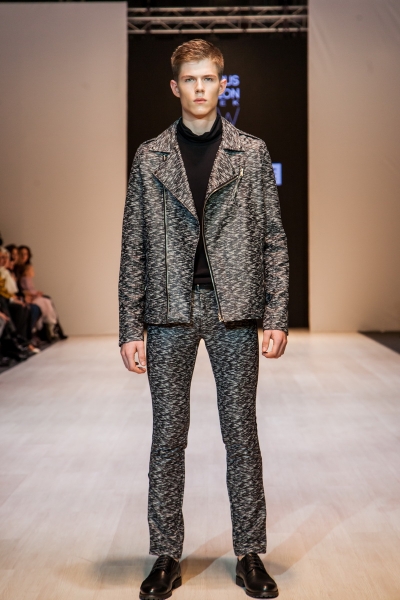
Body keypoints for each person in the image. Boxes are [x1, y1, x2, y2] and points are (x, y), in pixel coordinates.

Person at [118, 39, 289, 600]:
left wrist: (276, 313)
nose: (199, 88)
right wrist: (130, 326)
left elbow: (273, 239)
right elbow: (134, 245)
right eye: (189, 79)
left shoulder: (251, 152)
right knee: (168, 436)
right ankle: (166, 555)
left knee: (241, 434)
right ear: (175, 87)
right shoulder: (150, 156)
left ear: (222, 84)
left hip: (233, 309)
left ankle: (250, 555)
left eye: (208, 78)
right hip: (168, 310)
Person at [16, 245, 67, 341]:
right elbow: (20, 288)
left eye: (26, 254)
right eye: (21, 254)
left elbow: (30, 287)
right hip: (25, 296)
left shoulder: (27, 268)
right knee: (44, 302)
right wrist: (31, 294)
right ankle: (49, 330)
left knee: (47, 299)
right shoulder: (16, 270)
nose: (24, 256)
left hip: (30, 294)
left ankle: (53, 328)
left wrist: (35, 293)